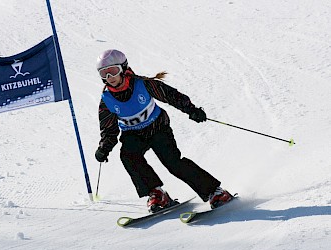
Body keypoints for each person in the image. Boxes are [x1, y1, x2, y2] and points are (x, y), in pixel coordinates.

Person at [94, 49, 233, 213]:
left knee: (173, 163)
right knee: (129, 156)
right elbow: (109, 129)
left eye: (113, 71)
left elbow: (170, 95)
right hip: (133, 135)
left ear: (124, 68)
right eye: (104, 74)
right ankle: (156, 193)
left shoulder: (143, 84)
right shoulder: (107, 100)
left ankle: (215, 192)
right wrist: (104, 147)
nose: (110, 78)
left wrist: (191, 110)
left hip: (157, 128)